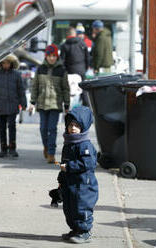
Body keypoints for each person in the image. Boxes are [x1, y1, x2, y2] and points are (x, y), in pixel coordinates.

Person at [59, 106, 98, 244]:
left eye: (76, 125)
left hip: (83, 186)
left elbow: (88, 164)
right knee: (69, 208)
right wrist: (61, 178)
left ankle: (84, 231)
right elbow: (65, 162)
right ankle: (75, 229)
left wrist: (69, 167)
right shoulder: (69, 143)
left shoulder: (84, 145)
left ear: (83, 126)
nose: (73, 128)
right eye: (70, 125)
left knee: (81, 208)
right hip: (71, 183)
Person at [29, 44, 70, 163]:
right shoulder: (40, 69)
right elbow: (35, 86)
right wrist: (32, 102)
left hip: (55, 105)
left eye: (54, 56)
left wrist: (66, 105)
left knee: (52, 129)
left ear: (57, 57)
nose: (52, 58)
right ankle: (46, 147)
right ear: (46, 56)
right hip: (42, 104)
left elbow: (65, 89)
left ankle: (51, 153)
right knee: (43, 128)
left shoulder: (61, 70)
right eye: (49, 56)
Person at [0, 54, 27, 158]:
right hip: (0, 106)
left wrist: (24, 104)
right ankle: (3, 149)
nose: (6, 65)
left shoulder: (17, 75)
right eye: (4, 63)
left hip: (13, 105)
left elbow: (21, 90)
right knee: (1, 128)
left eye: (8, 63)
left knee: (12, 127)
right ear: (0, 64)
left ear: (12, 64)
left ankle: (13, 148)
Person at [60, 27, 90, 106]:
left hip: (70, 72)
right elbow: (87, 58)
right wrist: (85, 68)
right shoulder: (82, 44)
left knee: (70, 91)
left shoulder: (64, 45)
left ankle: (69, 108)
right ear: (75, 34)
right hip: (81, 71)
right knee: (84, 90)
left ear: (67, 34)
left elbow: (62, 61)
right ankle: (86, 108)